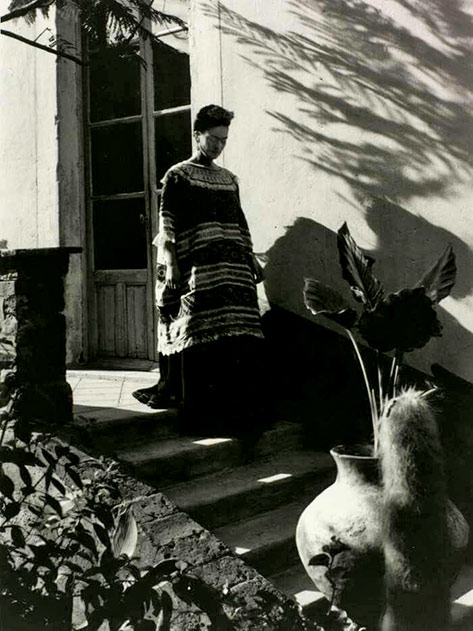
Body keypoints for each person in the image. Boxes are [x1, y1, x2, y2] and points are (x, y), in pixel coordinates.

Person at [133, 104, 270, 440]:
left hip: (233, 268)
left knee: (237, 331)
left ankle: (236, 411)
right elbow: (168, 223)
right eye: (213, 138)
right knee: (199, 327)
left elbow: (240, 222)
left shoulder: (228, 180)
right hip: (198, 267)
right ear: (197, 135)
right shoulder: (178, 175)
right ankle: (204, 413)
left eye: (224, 140)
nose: (218, 146)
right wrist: (172, 263)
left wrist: (251, 258)